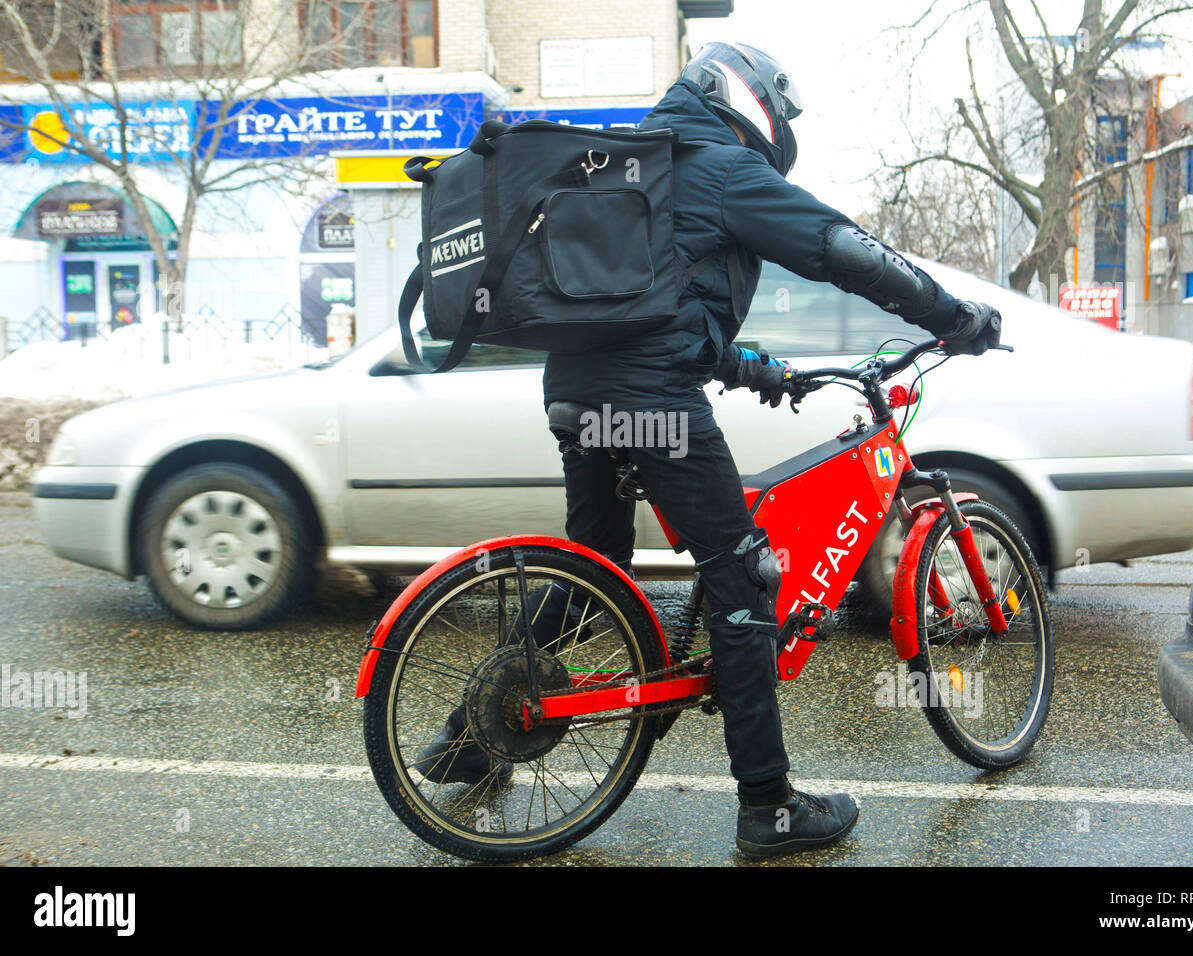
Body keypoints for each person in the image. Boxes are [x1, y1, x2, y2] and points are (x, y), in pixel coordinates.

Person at [420, 41, 1002, 859]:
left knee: (594, 570)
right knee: (743, 572)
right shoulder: (720, 167)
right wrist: (951, 315)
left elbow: (660, 311)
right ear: (748, 97)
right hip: (648, 400)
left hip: (578, 398)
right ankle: (769, 805)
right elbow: (842, 249)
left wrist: (761, 370)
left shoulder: (629, 166)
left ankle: (468, 737)